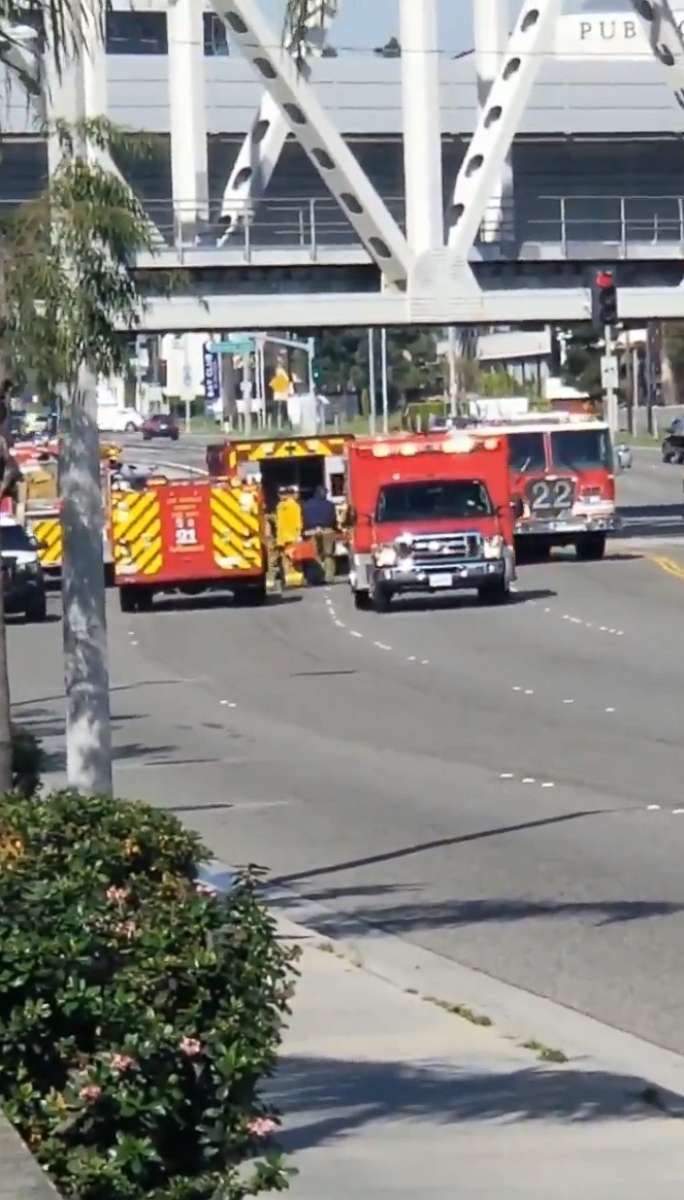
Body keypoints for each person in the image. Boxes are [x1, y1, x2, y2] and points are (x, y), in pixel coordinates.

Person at [302, 485, 338, 585]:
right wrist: (335, 528)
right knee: (328, 554)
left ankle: (316, 577)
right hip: (327, 530)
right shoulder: (330, 505)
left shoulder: (307, 505)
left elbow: (304, 519)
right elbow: (333, 519)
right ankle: (328, 577)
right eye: (326, 493)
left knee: (315, 555)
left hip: (311, 531)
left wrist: (304, 531)